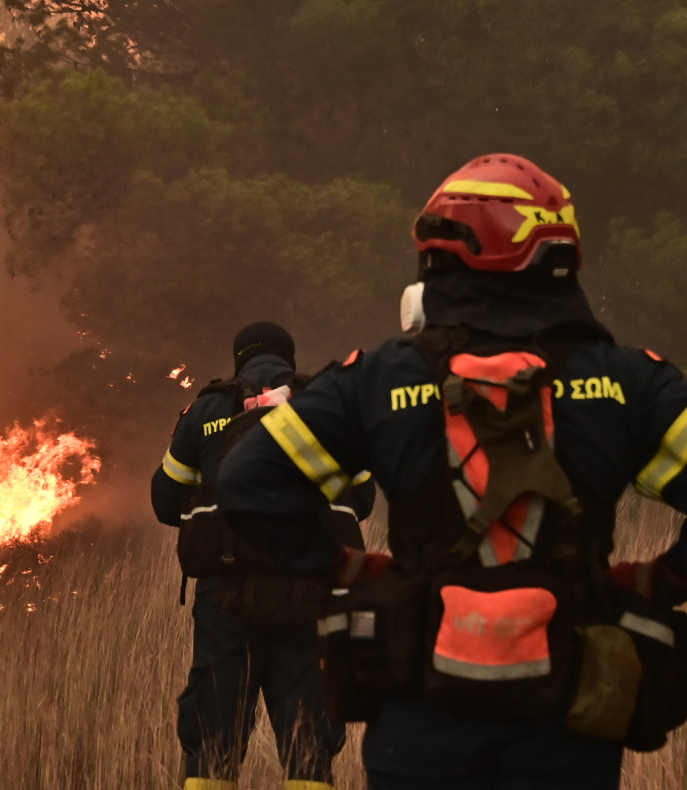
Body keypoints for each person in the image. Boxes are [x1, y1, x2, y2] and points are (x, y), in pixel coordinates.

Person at [214, 153, 687, 789]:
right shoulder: (633, 382)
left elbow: (247, 483)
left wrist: (341, 569)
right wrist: (662, 580)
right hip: (568, 721)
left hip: (421, 717)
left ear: (440, 257)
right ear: (560, 254)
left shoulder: (381, 377)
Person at [152, 320, 369, 790]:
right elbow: (363, 500)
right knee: (308, 744)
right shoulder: (324, 404)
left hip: (226, 601)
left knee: (212, 742)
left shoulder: (206, 409)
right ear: (289, 359)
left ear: (239, 360)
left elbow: (165, 502)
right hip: (309, 595)